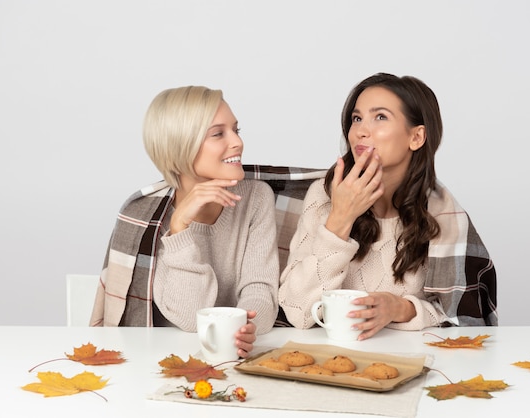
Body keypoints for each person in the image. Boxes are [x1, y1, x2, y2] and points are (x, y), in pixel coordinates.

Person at [279, 73, 497, 340]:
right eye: (356, 118)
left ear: (416, 137)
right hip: (326, 360)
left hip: (410, 365)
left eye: (380, 117)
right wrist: (340, 219)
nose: (360, 130)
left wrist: (402, 309)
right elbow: (297, 312)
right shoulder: (323, 196)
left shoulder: (442, 214)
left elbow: (461, 320)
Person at [90, 86, 280, 358]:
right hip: (164, 359)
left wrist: (247, 326)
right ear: (180, 146)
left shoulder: (255, 197)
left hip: (239, 356)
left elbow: (260, 289)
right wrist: (179, 227)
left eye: (236, 130)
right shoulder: (147, 217)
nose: (237, 142)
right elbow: (190, 319)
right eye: (218, 134)